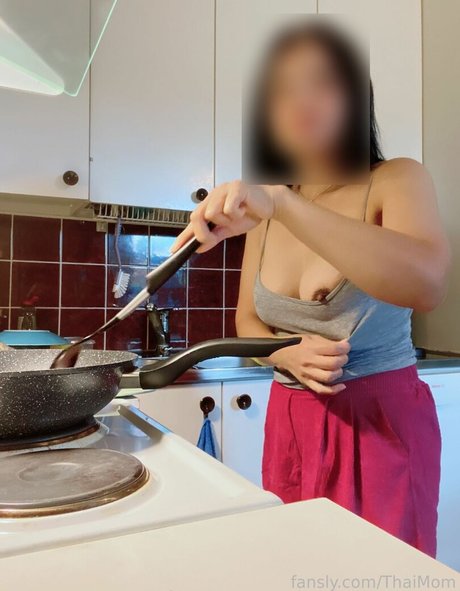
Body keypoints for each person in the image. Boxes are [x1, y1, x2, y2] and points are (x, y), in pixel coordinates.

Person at [172, 22, 450, 557]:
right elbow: (248, 321)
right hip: (290, 423)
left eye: (321, 81)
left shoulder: (396, 178)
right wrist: (284, 353)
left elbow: (428, 284)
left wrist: (283, 202)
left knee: (379, 573)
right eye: (283, 89)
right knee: (297, 565)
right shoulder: (266, 211)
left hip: (380, 424)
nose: (301, 100)